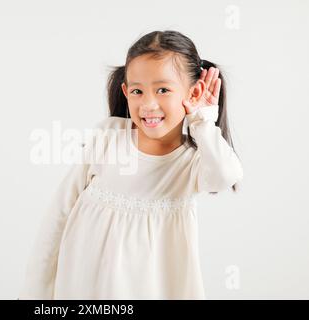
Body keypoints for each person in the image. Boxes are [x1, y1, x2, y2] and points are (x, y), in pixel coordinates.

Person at [18, 30, 243, 300]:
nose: (148, 104)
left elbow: (226, 174)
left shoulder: (192, 161)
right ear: (126, 91)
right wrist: (35, 290)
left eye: (163, 90)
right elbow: (59, 213)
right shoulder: (109, 137)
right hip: (83, 285)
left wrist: (202, 121)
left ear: (193, 93)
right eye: (137, 91)